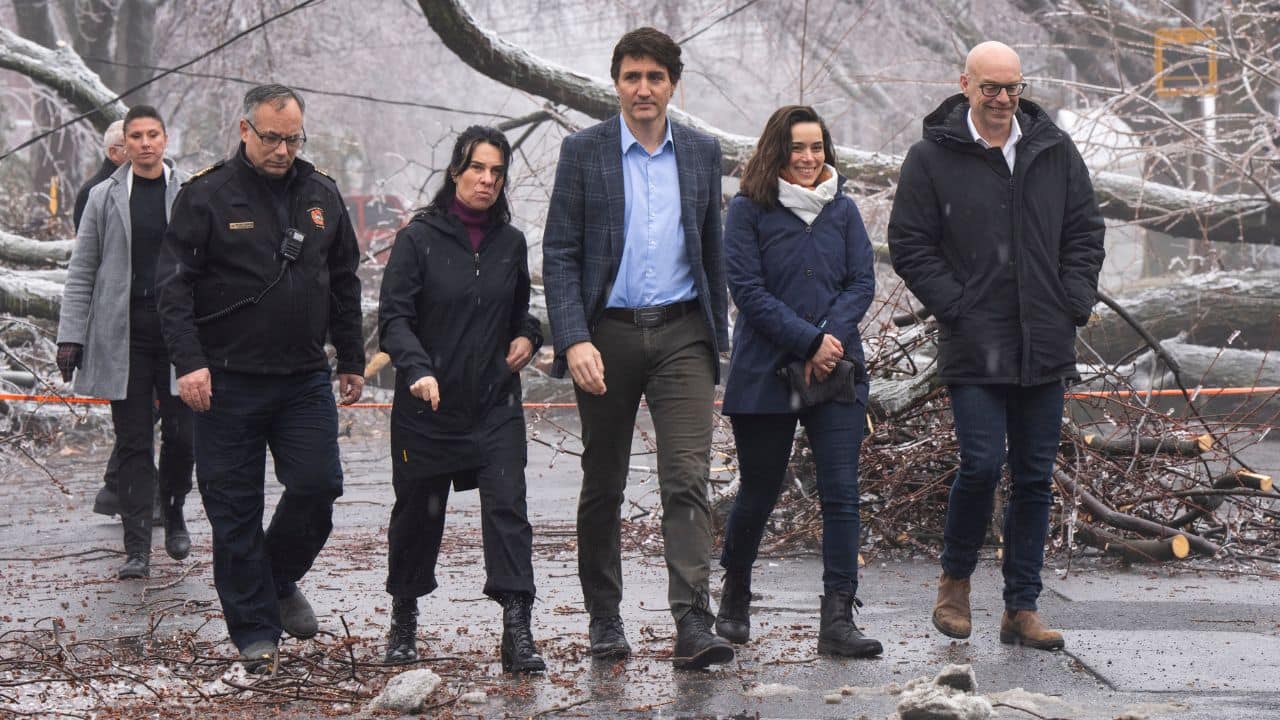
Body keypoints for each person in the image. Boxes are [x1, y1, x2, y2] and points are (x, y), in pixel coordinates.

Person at [887, 41, 1105, 651]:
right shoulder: (931, 157)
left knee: (1034, 477)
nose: (1003, 98)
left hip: (1045, 341)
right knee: (981, 464)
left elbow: (1086, 230)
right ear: (965, 85)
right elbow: (909, 243)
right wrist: (956, 305)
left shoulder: (1054, 151)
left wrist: (1073, 301)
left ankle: (1021, 609)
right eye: (991, 87)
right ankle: (954, 583)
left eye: (1013, 87)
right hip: (974, 343)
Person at [542, 27, 733, 670]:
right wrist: (572, 337)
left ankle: (692, 621)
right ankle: (604, 617)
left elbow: (713, 252)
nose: (643, 88)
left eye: (655, 77)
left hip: (683, 333)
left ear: (672, 84)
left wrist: (716, 338)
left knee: (687, 478)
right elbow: (561, 253)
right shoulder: (584, 152)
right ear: (616, 83)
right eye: (632, 76)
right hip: (607, 335)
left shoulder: (702, 153)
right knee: (604, 482)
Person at [157, 84, 365, 674]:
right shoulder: (206, 195)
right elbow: (172, 289)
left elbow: (344, 279)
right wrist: (188, 363)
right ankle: (254, 630)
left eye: (292, 138)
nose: (281, 149)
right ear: (245, 129)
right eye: (271, 137)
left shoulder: (321, 193)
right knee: (234, 508)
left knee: (318, 485)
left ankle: (276, 578)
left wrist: (350, 357)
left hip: (302, 376)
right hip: (225, 380)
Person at [714, 105, 882, 658]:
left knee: (841, 494)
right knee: (761, 490)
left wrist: (829, 341)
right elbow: (747, 289)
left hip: (835, 373)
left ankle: (838, 617)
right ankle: (736, 588)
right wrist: (806, 341)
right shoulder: (748, 211)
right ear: (776, 152)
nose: (809, 159)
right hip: (766, 371)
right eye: (796, 149)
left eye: (816, 148)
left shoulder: (844, 211)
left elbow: (861, 282)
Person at [378, 126, 546, 673]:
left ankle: (517, 626)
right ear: (456, 171)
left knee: (508, 508)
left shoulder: (510, 244)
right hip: (428, 406)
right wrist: (418, 370)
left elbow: (520, 312)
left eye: (497, 172)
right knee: (417, 516)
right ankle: (404, 617)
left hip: (494, 404)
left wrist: (528, 337)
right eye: (478, 168)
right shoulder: (418, 238)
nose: (487, 180)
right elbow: (394, 320)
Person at [57, 105, 194, 580]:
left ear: (165, 138)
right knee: (134, 442)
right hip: (125, 335)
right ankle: (137, 546)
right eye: (136, 136)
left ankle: (174, 510)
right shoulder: (103, 196)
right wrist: (70, 335)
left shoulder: (190, 193)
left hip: (180, 335)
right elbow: (82, 270)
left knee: (181, 437)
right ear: (125, 144)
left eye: (152, 134)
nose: (145, 143)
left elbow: (214, 264)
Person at [73, 118, 132, 520]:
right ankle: (120, 488)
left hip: (137, 318)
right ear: (115, 152)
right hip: (116, 320)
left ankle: (121, 488)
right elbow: (90, 265)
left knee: (145, 415)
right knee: (137, 416)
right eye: (135, 142)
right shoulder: (97, 195)